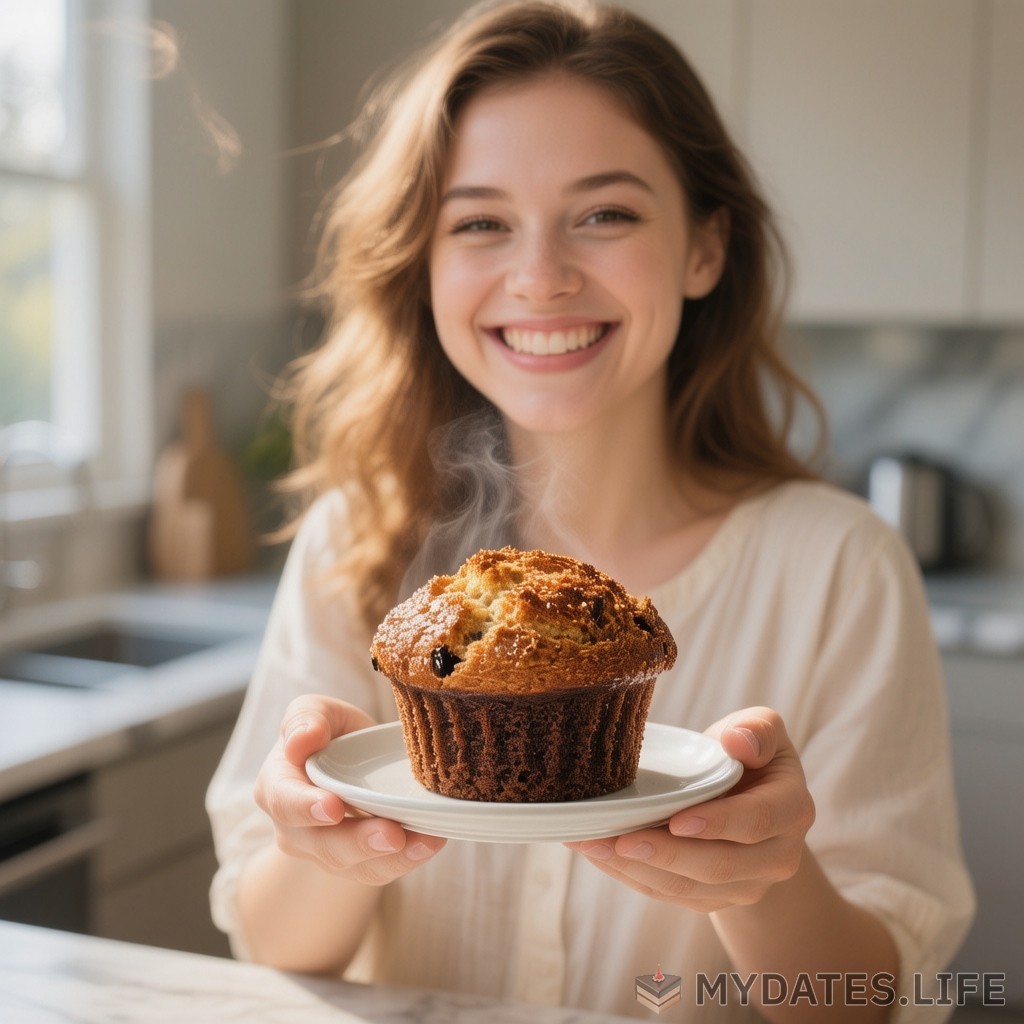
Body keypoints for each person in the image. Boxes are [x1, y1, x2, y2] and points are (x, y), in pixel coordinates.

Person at [206, 2, 974, 1020]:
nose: (541, 277)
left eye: (605, 213)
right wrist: (326, 840)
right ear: (423, 265)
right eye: (479, 222)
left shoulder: (840, 566)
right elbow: (268, 940)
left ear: (705, 246)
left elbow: (875, 999)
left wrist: (767, 875)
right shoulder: (356, 540)